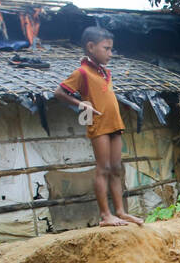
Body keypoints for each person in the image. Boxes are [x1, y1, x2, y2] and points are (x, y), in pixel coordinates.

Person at [55, 27, 143, 227]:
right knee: (103, 168)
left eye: (111, 49)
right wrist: (81, 104)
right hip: (98, 123)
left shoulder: (105, 73)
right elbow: (59, 92)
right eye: (107, 49)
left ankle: (121, 211)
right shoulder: (82, 72)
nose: (110, 54)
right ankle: (106, 215)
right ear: (91, 47)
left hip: (114, 123)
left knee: (116, 168)